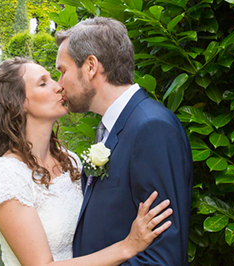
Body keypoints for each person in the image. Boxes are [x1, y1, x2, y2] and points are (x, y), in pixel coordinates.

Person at [0, 57, 174, 266]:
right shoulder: (7, 174)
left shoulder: (68, 160)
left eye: (54, 79)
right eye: (43, 83)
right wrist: (127, 246)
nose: (58, 86)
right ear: (16, 103)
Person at [55, 17, 193, 265]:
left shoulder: (152, 127)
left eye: (62, 71)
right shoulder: (109, 127)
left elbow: (164, 258)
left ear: (90, 66)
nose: (59, 84)